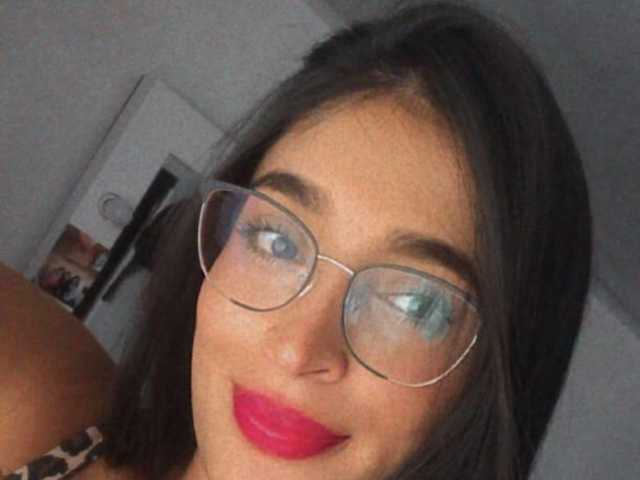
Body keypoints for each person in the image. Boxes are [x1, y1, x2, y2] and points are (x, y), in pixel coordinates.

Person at [4, 2, 592, 479]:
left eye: (416, 304)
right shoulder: (32, 404)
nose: (297, 348)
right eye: (277, 240)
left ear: (493, 383)